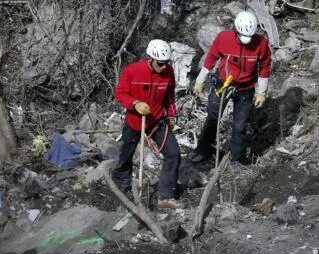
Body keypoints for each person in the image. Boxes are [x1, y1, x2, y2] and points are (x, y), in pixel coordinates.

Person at [191, 11, 272, 164]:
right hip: (222, 85)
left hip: (245, 89)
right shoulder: (224, 38)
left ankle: (236, 159)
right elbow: (211, 59)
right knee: (213, 118)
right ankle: (203, 151)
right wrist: (200, 81)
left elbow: (265, 67)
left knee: (240, 125)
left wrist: (261, 92)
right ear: (236, 30)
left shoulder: (261, 43)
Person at [112, 39, 180, 209]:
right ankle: (122, 184)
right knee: (126, 154)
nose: (164, 67)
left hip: (157, 120)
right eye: (160, 64)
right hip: (135, 120)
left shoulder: (168, 72)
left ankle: (166, 196)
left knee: (173, 153)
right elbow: (120, 93)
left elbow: (170, 95)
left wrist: (172, 114)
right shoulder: (132, 70)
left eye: (166, 63)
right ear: (151, 59)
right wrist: (135, 103)